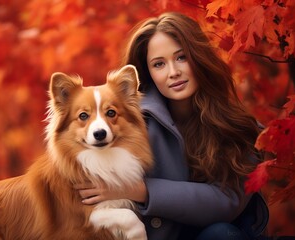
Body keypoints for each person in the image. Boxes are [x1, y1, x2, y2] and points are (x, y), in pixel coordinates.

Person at [75, 12, 269, 240]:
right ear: (148, 73)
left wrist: (142, 190)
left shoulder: (239, 127)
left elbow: (227, 202)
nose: (173, 72)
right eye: (159, 64)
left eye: (181, 57)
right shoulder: (130, 125)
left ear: (198, 57)